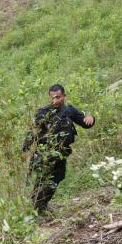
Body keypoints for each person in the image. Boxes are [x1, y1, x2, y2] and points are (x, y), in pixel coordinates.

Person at [23, 84, 95, 213]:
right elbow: (32, 132)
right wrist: (25, 150)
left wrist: (90, 117)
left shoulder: (69, 110)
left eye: (58, 97)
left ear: (64, 96)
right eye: (52, 98)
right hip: (45, 153)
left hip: (61, 153)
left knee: (58, 177)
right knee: (43, 180)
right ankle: (36, 209)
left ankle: (41, 205)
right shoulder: (43, 112)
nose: (54, 100)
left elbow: (85, 122)